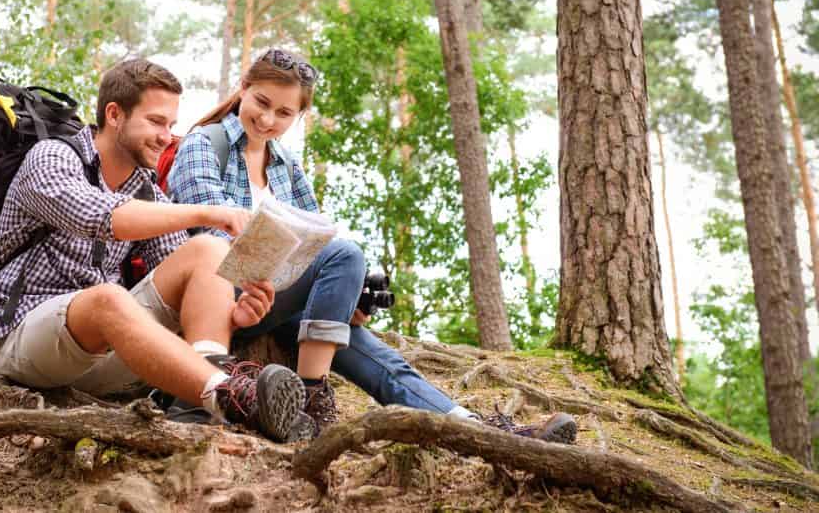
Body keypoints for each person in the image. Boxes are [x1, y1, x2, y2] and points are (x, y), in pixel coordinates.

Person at [167, 48, 577, 444]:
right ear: (243, 87)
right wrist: (323, 276)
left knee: (377, 355)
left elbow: (314, 238)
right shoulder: (205, 145)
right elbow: (211, 242)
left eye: (285, 113)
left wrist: (346, 297)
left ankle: (476, 428)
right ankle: (311, 396)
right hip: (222, 305)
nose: (268, 118)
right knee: (346, 254)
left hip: (279, 301)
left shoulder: (287, 166)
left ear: (300, 115)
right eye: (261, 102)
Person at [0, 58, 307, 443]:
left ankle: (198, 410)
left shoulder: (146, 190)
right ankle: (234, 399)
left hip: (104, 353)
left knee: (207, 250)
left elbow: (187, 279)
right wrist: (209, 211)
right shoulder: (52, 158)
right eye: (156, 122)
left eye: (171, 126)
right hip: (26, 342)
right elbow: (100, 217)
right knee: (107, 298)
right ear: (115, 114)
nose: (166, 137)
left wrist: (233, 315)